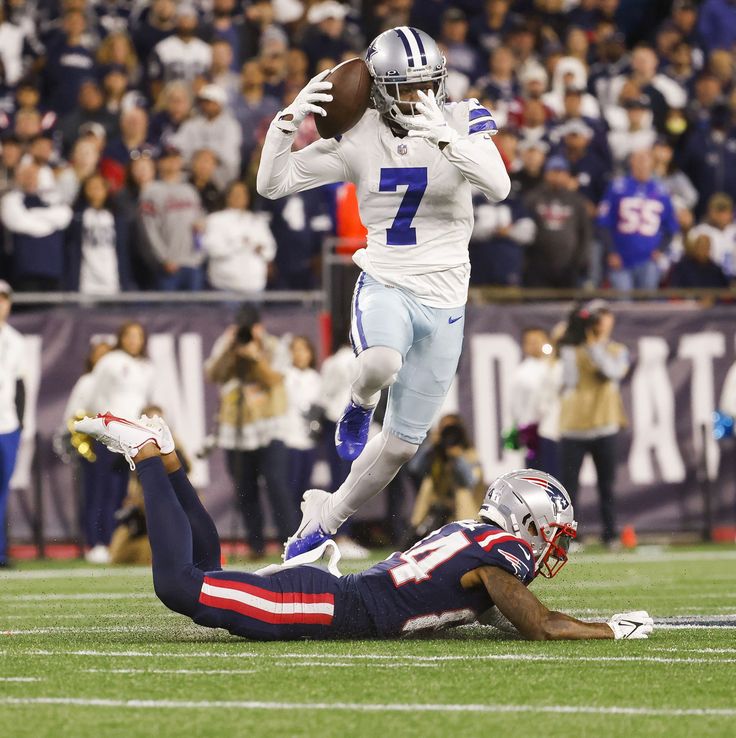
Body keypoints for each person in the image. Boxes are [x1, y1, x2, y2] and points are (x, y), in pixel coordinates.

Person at [257, 26, 511, 563]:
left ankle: (324, 518)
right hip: (388, 280)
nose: (418, 98)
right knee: (378, 362)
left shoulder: (461, 117)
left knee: (399, 446)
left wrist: (444, 136)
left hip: (447, 298)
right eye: (405, 87)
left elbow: (499, 184)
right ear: (375, 89)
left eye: (428, 85)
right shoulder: (359, 136)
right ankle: (358, 403)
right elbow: (272, 184)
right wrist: (289, 122)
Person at [74, 411, 654, 642]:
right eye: (551, 531)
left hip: (335, 596)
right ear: (526, 520)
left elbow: (501, 608)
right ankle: (145, 452)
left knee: (205, 572)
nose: (552, 545)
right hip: (333, 606)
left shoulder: (471, 535)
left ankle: (168, 460)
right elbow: (538, 625)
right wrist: (612, 630)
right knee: (181, 585)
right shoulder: (494, 557)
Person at [204, 305, 296, 559]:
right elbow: (213, 374)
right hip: (236, 430)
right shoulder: (226, 344)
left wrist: (255, 356)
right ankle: (256, 546)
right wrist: (231, 351)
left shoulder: (274, 347)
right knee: (245, 489)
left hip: (269, 428)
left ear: (259, 327)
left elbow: (273, 380)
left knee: (277, 485)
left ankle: (289, 544)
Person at [558, 301, 630, 547]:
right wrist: (572, 341)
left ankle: (610, 534)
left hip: (604, 425)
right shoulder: (571, 348)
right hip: (574, 425)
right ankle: (569, 537)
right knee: (569, 487)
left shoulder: (618, 349)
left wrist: (594, 346)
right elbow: (569, 379)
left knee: (607, 484)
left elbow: (613, 372)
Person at [84, 321, 156, 563]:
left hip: (134, 437)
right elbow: (94, 396)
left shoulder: (147, 367)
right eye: (129, 335)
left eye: (138, 336)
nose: (134, 340)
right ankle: (96, 543)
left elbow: (149, 401)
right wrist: (103, 426)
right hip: (110, 434)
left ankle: (114, 541)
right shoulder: (110, 362)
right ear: (121, 338)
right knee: (102, 489)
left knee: (123, 493)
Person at [598, 148, 679, 291]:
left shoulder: (661, 190)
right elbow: (604, 223)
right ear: (631, 162)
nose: (642, 164)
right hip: (621, 258)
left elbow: (671, 227)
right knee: (623, 306)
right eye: (638, 159)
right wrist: (611, 252)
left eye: (645, 159)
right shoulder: (618, 187)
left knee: (647, 307)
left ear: (652, 163)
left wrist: (660, 249)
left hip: (649, 259)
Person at [407, 414, 485, 546]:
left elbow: (470, 482)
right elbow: (414, 469)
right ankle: (416, 528)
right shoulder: (435, 454)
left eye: (452, 430)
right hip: (437, 510)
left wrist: (457, 457)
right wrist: (430, 446)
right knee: (428, 482)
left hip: (462, 513)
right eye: (444, 430)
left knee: (462, 491)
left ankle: (468, 532)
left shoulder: (469, 454)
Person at [201, 180, 275, 292]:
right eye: (235, 194)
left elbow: (270, 250)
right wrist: (239, 244)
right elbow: (212, 249)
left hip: (255, 285)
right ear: (228, 196)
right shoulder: (215, 219)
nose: (239, 197)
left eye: (242, 194)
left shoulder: (257, 221)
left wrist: (261, 249)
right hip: (225, 285)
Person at [0, 280, 25, 567]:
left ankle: (1, 552)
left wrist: (21, 424)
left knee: (2, 492)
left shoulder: (16, 341)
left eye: (4, 299)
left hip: (6, 425)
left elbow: (20, 385)